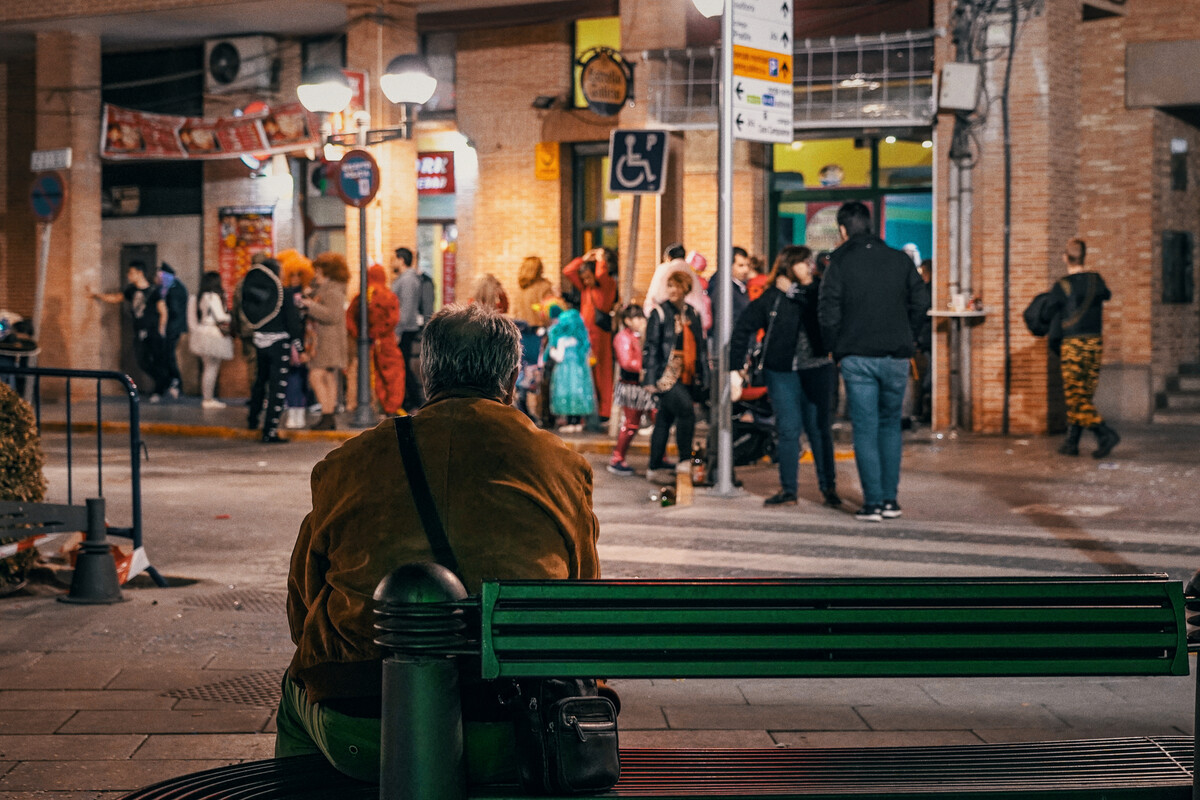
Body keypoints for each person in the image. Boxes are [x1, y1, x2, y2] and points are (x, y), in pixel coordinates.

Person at [277, 303, 600, 784]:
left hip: (365, 725)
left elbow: (302, 604)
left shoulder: (350, 463)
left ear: (426, 372)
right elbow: (582, 595)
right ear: (511, 378)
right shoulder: (559, 465)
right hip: (516, 724)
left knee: (294, 691)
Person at [818, 201, 928, 522]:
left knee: (864, 429)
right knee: (890, 426)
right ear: (870, 225)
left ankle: (873, 503)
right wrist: (910, 335)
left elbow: (828, 312)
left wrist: (833, 347)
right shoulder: (900, 261)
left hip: (856, 356)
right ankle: (891, 500)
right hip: (897, 355)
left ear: (842, 229)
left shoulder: (838, 263)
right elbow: (921, 302)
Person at [731, 246, 840, 508]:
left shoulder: (819, 290)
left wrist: (795, 291)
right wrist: (734, 366)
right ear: (789, 266)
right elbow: (744, 326)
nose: (809, 265)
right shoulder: (773, 297)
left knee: (819, 430)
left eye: (809, 261)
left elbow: (822, 315)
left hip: (817, 368)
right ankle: (789, 489)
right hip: (782, 371)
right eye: (803, 262)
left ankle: (829, 488)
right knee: (789, 429)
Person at [1040, 238, 1119, 458]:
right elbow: (1107, 295)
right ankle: (1072, 443)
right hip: (1095, 342)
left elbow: (1046, 315)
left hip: (1073, 344)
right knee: (1083, 395)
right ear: (1085, 256)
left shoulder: (1062, 285)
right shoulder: (1096, 280)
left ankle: (1105, 434)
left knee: (1076, 397)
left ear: (1065, 257)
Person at [643, 270, 708, 484]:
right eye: (670, 286)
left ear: (685, 289)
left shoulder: (692, 313)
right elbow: (651, 347)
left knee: (664, 419)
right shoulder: (660, 312)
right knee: (686, 412)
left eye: (677, 286)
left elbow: (701, 347)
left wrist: (704, 375)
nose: (672, 290)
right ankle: (683, 460)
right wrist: (650, 379)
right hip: (667, 373)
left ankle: (654, 465)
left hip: (688, 374)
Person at [241, 257, 305, 443]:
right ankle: (269, 430)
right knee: (277, 388)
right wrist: (299, 346)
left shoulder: (258, 291)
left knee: (260, 382)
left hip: (260, 341)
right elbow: (292, 322)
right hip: (279, 344)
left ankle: (253, 420)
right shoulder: (282, 293)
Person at [91, 261, 170, 403]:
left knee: (157, 361)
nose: (129, 275)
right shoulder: (131, 290)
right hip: (138, 331)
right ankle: (164, 383)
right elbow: (116, 298)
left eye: (131, 272)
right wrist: (97, 295)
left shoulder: (153, 291)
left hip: (152, 332)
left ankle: (160, 389)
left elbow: (163, 311)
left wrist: (161, 329)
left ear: (140, 273)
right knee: (142, 361)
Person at [563, 248, 617, 421]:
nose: (585, 281)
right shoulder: (586, 288)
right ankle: (591, 410)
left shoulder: (607, 285)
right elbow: (568, 271)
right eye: (583, 278)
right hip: (586, 337)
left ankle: (604, 411)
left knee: (603, 372)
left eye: (588, 276)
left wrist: (599, 259)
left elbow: (601, 275)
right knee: (588, 373)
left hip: (600, 335)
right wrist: (584, 258)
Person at [347, 264, 406, 417]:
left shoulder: (361, 296)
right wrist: (380, 332)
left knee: (374, 376)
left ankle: (380, 406)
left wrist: (360, 335)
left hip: (368, 344)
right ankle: (391, 407)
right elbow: (393, 319)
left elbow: (349, 318)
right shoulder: (388, 295)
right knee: (393, 375)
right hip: (386, 342)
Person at [301, 252, 350, 431]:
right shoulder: (326, 288)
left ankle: (327, 413)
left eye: (318, 271)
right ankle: (328, 416)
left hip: (328, 340)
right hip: (325, 339)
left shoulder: (333, 290)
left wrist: (310, 306)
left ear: (326, 272)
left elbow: (332, 315)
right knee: (328, 376)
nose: (315, 274)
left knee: (316, 374)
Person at [608, 304, 655, 476]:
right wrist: (646, 367)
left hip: (645, 385)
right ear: (627, 320)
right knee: (630, 424)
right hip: (631, 386)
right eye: (638, 318)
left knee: (659, 419)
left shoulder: (641, 335)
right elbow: (627, 361)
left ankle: (660, 458)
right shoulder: (622, 337)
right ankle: (617, 458)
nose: (642, 321)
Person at [390, 247, 433, 412]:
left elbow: (406, 309)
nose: (391, 263)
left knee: (403, 367)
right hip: (405, 328)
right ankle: (412, 400)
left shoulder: (408, 280)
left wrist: (397, 331)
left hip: (405, 330)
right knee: (403, 366)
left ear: (401, 260)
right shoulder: (407, 278)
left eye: (393, 259)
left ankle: (414, 400)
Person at [546, 293, 594, 432]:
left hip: (564, 372)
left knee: (566, 394)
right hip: (579, 371)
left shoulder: (562, 340)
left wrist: (551, 351)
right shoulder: (580, 341)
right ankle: (577, 422)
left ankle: (569, 422)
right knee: (578, 394)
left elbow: (559, 357)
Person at [186, 271, 234, 409]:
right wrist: (230, 317)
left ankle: (207, 398)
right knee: (212, 368)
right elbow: (220, 317)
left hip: (202, 332)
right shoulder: (213, 296)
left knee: (207, 367)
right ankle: (208, 399)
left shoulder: (197, 297)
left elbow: (191, 320)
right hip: (213, 334)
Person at [278, 251, 315, 430]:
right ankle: (295, 411)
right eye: (291, 274)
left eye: (298, 274)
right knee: (293, 377)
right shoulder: (285, 294)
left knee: (300, 377)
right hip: (292, 341)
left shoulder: (306, 295)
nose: (295, 278)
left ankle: (299, 410)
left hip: (304, 340)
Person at [643, 243, 712, 332]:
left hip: (668, 322)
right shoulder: (692, 273)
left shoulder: (663, 269)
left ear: (668, 257)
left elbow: (653, 297)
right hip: (692, 321)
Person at [707, 246, 753, 347]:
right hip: (729, 346)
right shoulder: (723, 288)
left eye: (748, 265)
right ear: (729, 265)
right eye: (740, 265)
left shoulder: (740, 287)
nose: (746, 270)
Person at [158, 263, 189, 399]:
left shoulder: (174, 288)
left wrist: (164, 311)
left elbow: (175, 310)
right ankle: (171, 382)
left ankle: (175, 382)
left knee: (169, 356)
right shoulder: (174, 286)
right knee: (167, 356)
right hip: (174, 327)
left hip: (173, 328)